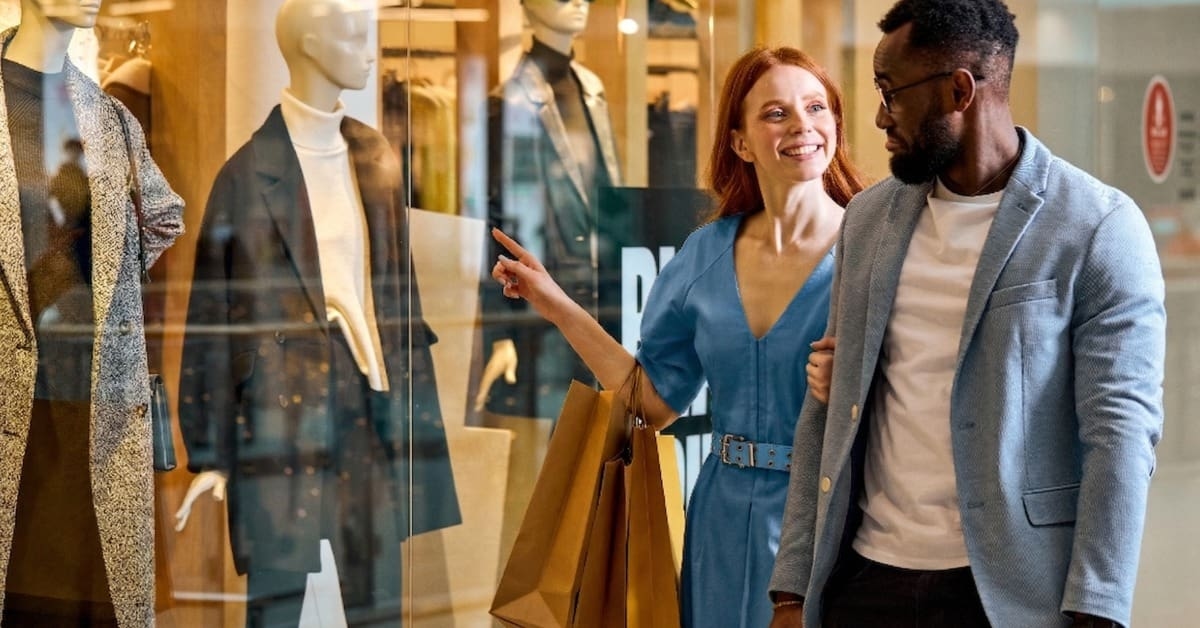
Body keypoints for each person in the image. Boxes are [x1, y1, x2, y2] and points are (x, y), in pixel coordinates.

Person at [768, 1, 1166, 627]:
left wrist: (1098, 608)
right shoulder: (869, 220)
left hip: (1008, 595)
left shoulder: (1097, 227)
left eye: (890, 92)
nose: (878, 117)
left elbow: (1119, 433)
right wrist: (792, 589)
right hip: (864, 581)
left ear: (958, 90)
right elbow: (828, 406)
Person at [492, 46, 867, 628]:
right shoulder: (706, 253)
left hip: (833, 512)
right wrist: (555, 303)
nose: (802, 126)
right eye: (775, 113)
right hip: (718, 516)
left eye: (816, 107)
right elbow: (651, 402)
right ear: (741, 142)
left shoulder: (875, 249)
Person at [175, 0, 459, 625]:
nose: (369, 49)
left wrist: (418, 424)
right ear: (308, 44)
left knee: (380, 599)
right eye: (354, 34)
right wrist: (211, 453)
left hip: (369, 405)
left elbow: (397, 300)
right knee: (277, 603)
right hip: (282, 412)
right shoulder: (246, 177)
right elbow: (210, 327)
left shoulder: (375, 158)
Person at [0, 0, 185, 625]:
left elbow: (164, 214)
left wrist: (109, 292)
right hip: (10, 408)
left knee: (94, 603)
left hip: (93, 412)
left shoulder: (108, 115)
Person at [476, 0, 623, 420]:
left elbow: (608, 197)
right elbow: (492, 221)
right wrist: (501, 332)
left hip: (605, 293)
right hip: (546, 305)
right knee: (558, 444)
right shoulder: (508, 103)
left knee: (609, 436)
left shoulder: (592, 90)